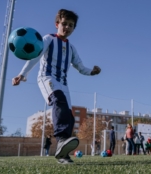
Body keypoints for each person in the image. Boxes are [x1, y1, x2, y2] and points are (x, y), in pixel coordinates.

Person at [12, 9, 101, 164]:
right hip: (47, 78)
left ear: (74, 28)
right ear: (57, 24)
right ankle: (60, 139)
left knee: (69, 116)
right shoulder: (48, 39)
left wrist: (92, 72)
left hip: (63, 84)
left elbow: (80, 67)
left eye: (71, 25)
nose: (67, 27)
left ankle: (63, 154)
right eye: (64, 24)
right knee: (58, 100)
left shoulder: (72, 48)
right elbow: (35, 56)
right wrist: (22, 74)